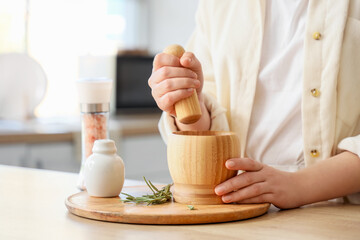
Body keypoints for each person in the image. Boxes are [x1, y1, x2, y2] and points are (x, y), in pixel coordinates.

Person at [148, 0, 360, 209]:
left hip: (339, 211)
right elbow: (206, 117)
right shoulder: (218, 6)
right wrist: (186, 100)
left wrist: (299, 185)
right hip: (239, 207)